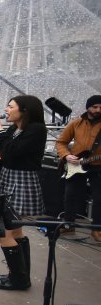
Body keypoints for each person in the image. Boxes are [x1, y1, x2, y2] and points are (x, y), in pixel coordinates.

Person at [0, 95, 47, 290]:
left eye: (10, 106)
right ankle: (20, 276)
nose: (6, 110)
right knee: (16, 230)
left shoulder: (36, 130)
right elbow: (2, 149)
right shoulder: (15, 128)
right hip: (8, 177)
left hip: (21, 181)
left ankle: (18, 279)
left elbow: (12, 151)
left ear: (24, 110)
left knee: (4, 232)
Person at [55, 95, 101, 242]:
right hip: (77, 165)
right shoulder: (76, 123)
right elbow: (61, 142)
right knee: (70, 195)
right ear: (88, 107)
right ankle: (69, 224)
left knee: (99, 198)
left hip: (98, 166)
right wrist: (66, 156)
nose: (98, 110)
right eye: (95, 107)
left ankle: (97, 229)